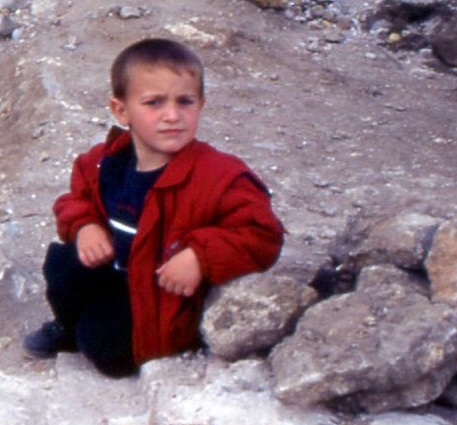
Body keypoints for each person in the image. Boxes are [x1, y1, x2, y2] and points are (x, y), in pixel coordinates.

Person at [23, 38, 284, 376]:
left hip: (162, 299)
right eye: (153, 103)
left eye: (185, 102)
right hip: (117, 271)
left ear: (201, 105)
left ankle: (93, 332)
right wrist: (86, 226)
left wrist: (200, 256)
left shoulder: (220, 177)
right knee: (62, 262)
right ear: (121, 111)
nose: (172, 116)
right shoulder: (105, 162)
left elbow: (262, 235)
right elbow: (74, 200)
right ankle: (67, 325)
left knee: (104, 350)